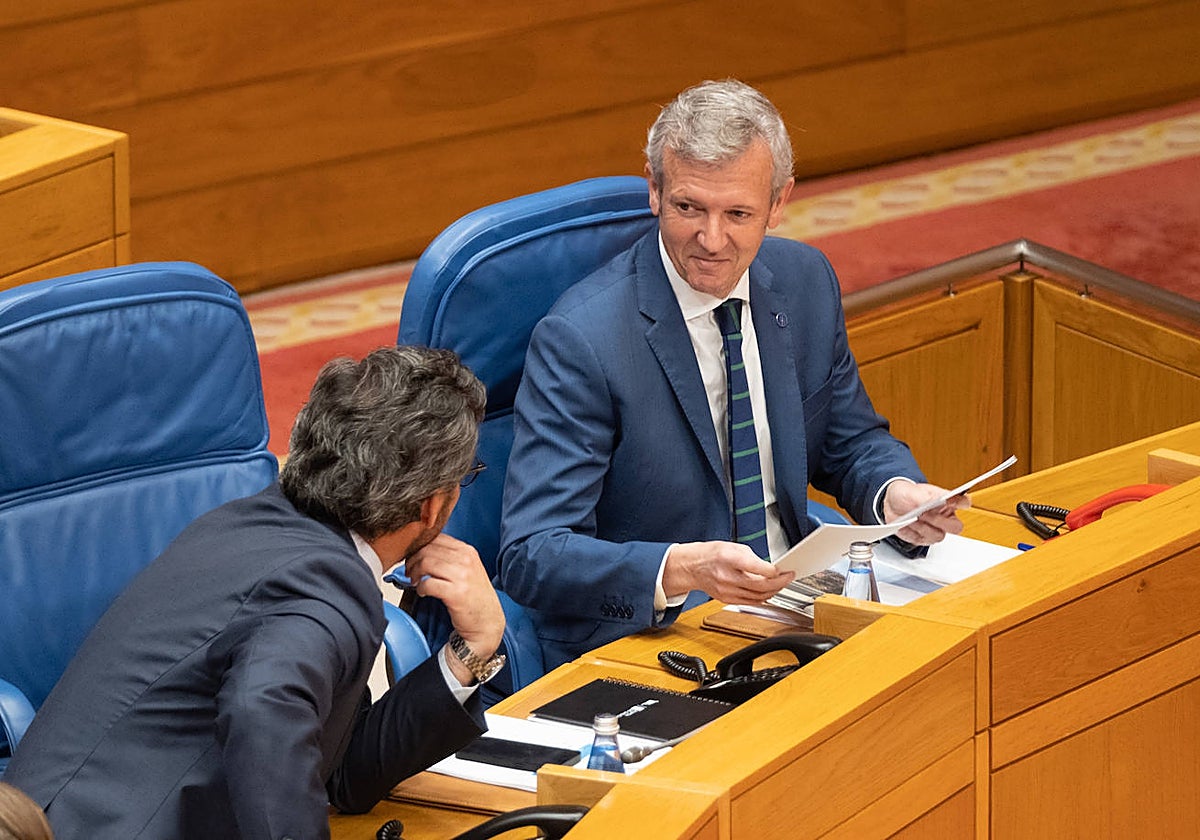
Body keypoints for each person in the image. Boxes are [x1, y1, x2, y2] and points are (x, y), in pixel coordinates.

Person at [498, 79, 967, 670]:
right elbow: (534, 553)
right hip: (666, 634)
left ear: (778, 202)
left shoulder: (804, 282)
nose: (711, 240)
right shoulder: (581, 339)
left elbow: (850, 442)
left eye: (738, 214)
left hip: (797, 598)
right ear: (654, 191)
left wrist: (895, 493)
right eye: (688, 208)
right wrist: (680, 567)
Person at [5, 346, 506, 840]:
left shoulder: (262, 527)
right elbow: (260, 707)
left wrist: (472, 649)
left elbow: (344, 774)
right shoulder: (323, 587)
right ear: (431, 504)